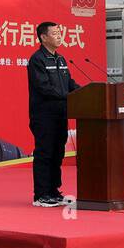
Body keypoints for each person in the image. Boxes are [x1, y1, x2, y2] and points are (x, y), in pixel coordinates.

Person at [27, 21, 81, 207]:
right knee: (45, 153)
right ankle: (41, 195)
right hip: (44, 116)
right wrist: (67, 95)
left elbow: (70, 83)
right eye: (55, 33)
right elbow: (44, 88)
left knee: (58, 153)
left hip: (61, 115)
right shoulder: (37, 59)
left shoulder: (61, 60)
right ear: (43, 37)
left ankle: (53, 191)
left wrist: (84, 92)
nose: (59, 36)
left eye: (60, 33)